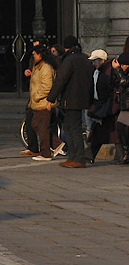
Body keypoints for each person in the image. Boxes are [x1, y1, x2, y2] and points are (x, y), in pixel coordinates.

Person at [45, 35, 94, 169]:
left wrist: (50, 98)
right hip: (82, 98)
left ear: (66, 47)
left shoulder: (69, 60)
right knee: (70, 127)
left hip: (71, 98)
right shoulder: (85, 59)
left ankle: (78, 158)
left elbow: (61, 80)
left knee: (73, 128)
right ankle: (73, 156)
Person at [86, 49, 119, 163]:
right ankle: (89, 155)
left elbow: (113, 91)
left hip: (108, 106)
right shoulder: (97, 71)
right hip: (100, 105)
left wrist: (111, 107)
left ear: (101, 60)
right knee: (99, 132)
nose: (93, 63)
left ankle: (90, 155)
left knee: (114, 133)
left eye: (95, 61)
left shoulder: (108, 72)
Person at [28, 44, 58, 161]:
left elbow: (47, 86)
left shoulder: (45, 67)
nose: (33, 56)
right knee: (36, 124)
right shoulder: (38, 66)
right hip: (37, 102)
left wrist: (36, 96)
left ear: (40, 55)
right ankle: (56, 144)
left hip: (43, 102)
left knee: (42, 127)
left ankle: (45, 153)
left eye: (34, 54)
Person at [112, 53, 129, 164]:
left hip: (128, 105)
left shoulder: (123, 73)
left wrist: (118, 69)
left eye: (123, 65)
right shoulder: (123, 73)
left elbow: (124, 82)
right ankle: (126, 153)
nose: (122, 66)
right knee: (121, 127)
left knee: (123, 127)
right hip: (125, 105)